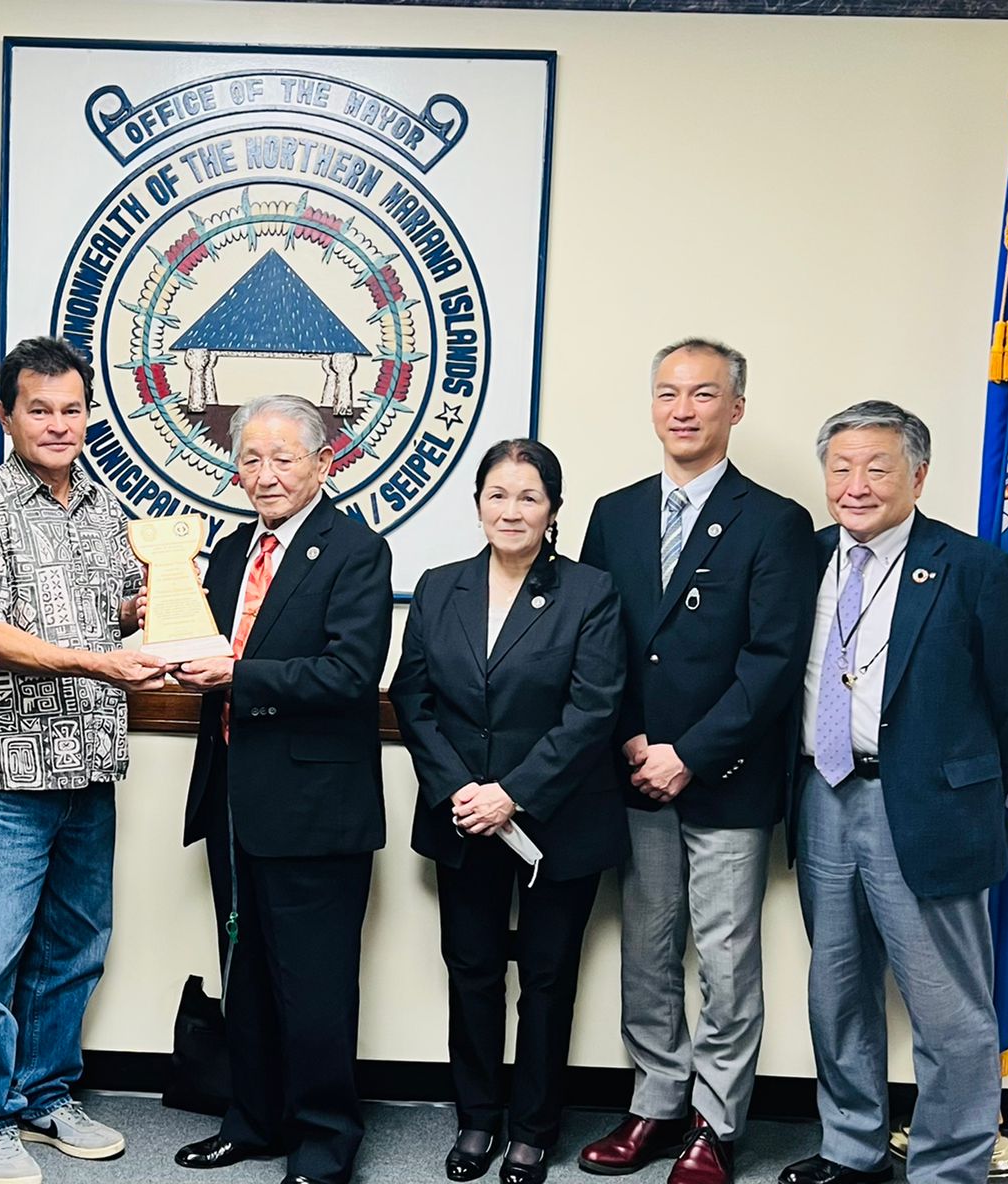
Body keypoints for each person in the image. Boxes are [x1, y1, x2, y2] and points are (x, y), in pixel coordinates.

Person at [779, 402, 1008, 1184]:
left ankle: (947, 1165)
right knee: (837, 993)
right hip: (823, 796)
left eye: (878, 467)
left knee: (948, 1009)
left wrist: (958, 784)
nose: (856, 485)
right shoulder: (805, 558)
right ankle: (851, 1148)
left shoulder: (971, 568)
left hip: (928, 809)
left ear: (918, 474)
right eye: (842, 466)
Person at [577, 338, 814, 1184]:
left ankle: (716, 1123)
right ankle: (653, 1102)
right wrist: (635, 740)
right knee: (646, 949)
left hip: (727, 779)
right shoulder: (614, 513)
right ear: (651, 406)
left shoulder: (776, 520)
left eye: (704, 394)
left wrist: (691, 752)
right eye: (668, 393)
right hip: (635, 773)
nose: (683, 408)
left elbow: (774, 660)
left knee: (723, 956)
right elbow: (595, 640)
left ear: (736, 410)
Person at [0, 336, 165, 1184]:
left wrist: (148, 608)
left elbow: (113, 614)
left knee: (75, 947)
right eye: (39, 408)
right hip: (6, 774)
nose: (58, 424)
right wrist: (100, 661)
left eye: (72, 409)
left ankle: (45, 1095)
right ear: (6, 414)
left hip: (90, 766)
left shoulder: (109, 508)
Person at [390, 439, 627, 1184]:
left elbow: (594, 709)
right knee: (473, 972)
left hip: (557, 819)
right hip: (464, 817)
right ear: (477, 503)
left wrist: (512, 794)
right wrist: (462, 789)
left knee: (550, 978)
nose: (511, 510)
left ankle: (532, 1130)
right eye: (498, 494)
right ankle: (477, 1122)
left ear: (553, 509)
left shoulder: (590, 592)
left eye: (528, 497)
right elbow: (411, 696)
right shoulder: (439, 586)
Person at [172, 393, 393, 1184]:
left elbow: (348, 672)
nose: (264, 475)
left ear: (322, 463)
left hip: (315, 808)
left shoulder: (356, 551)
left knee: (315, 985)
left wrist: (236, 676)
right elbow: (206, 648)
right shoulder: (231, 552)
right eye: (250, 460)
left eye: (283, 458)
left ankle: (326, 1143)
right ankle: (253, 1120)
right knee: (247, 975)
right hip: (234, 798)